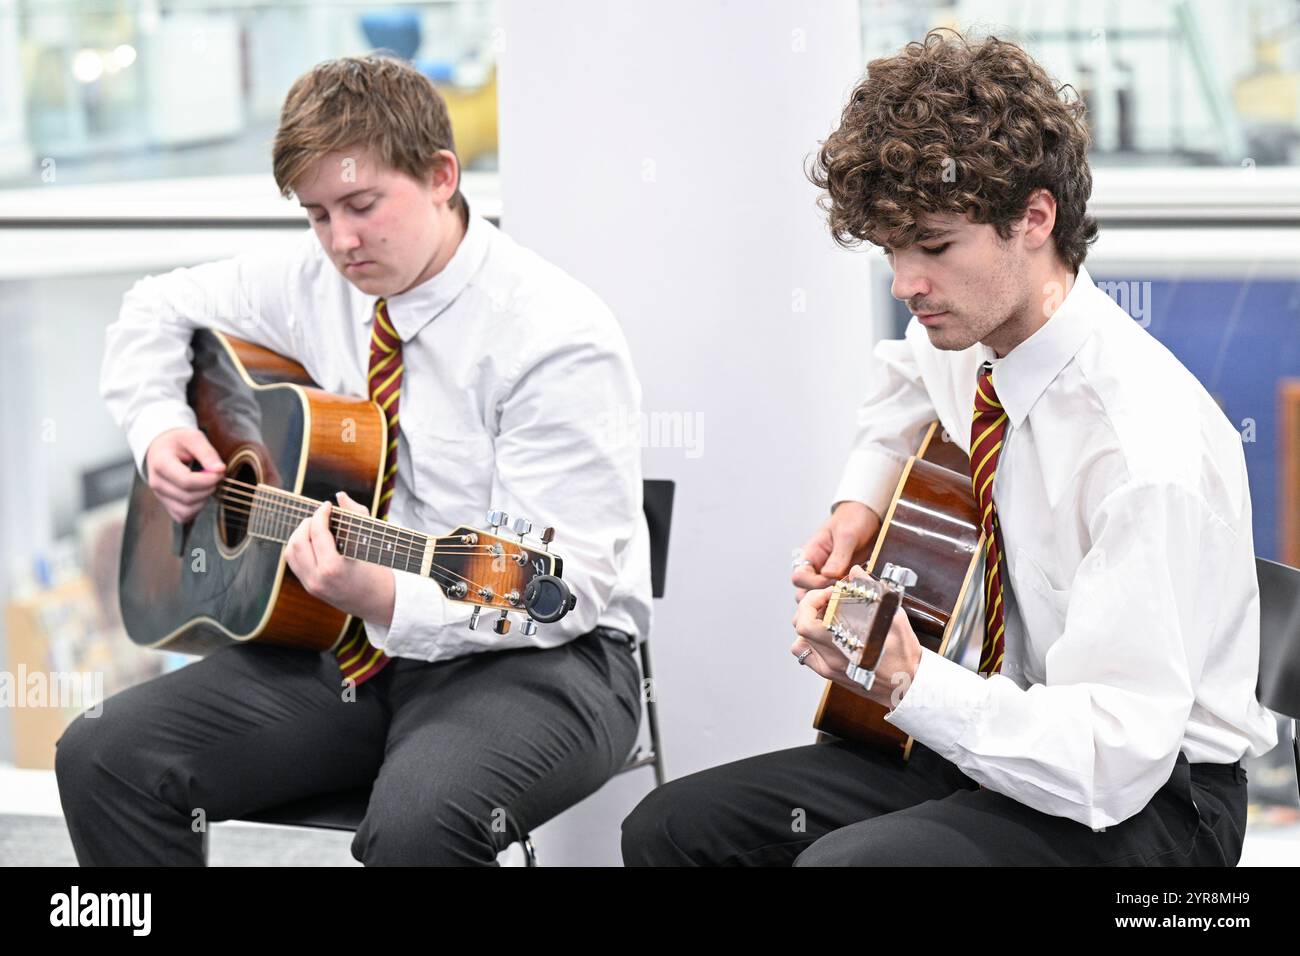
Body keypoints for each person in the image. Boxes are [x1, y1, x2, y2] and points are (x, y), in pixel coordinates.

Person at [621, 29, 1277, 866]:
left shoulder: (1142, 450)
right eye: (892, 249)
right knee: (673, 830)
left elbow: (1113, 761)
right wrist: (860, 503)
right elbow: (904, 379)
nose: (905, 283)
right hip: (1006, 730)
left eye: (932, 246)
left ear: (1035, 218)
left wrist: (910, 680)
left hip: (1151, 799)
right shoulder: (965, 333)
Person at [57, 53, 651, 866]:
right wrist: (160, 428)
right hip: (346, 646)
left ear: (442, 176)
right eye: (316, 215)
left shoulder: (554, 336)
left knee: (418, 830)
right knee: (103, 754)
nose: (341, 241)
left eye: (363, 206)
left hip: (541, 661)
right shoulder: (314, 279)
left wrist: (386, 593)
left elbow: (558, 590)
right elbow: (152, 310)